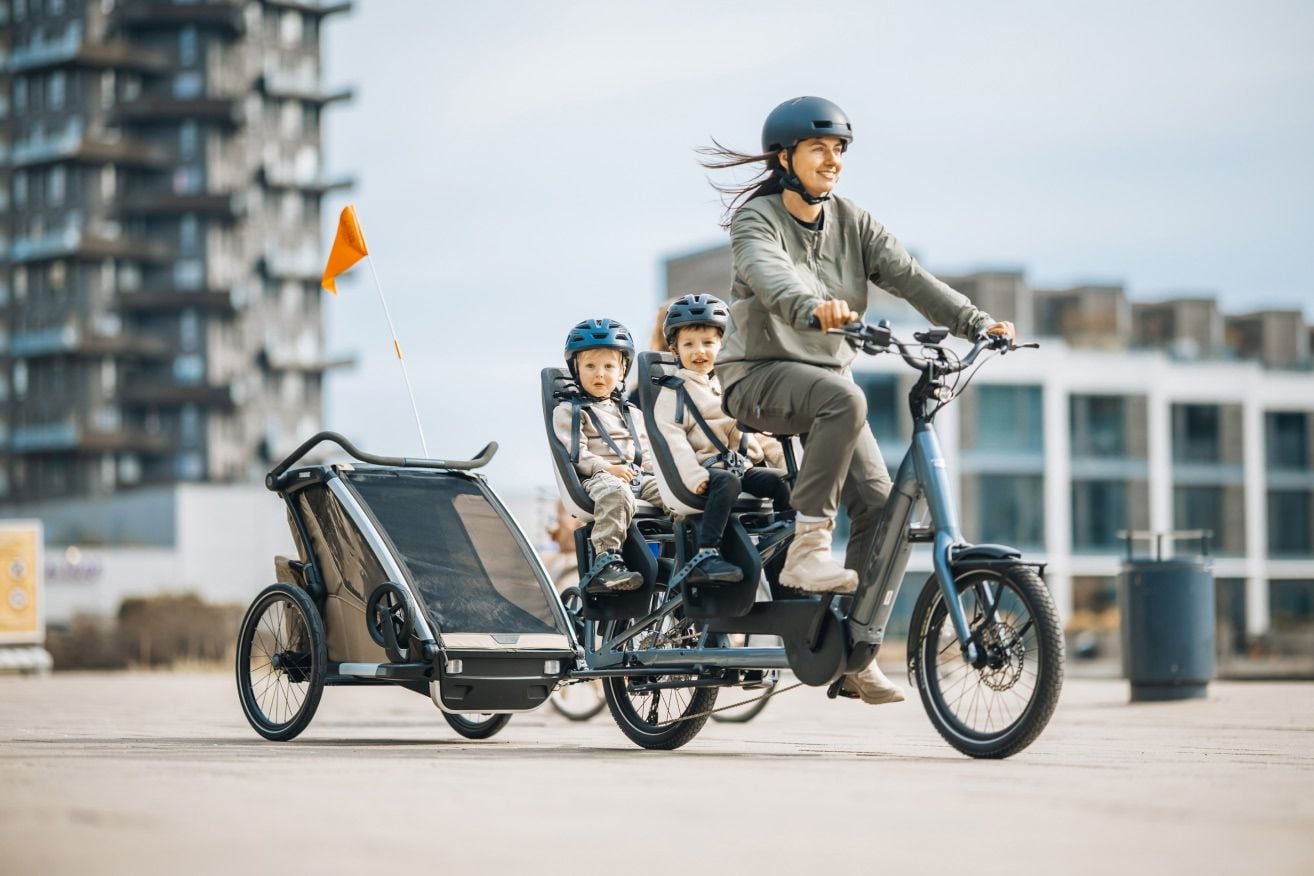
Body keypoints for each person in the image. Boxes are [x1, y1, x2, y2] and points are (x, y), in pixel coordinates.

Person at [702, 96, 1016, 705]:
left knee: (880, 504)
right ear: (785, 157)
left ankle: (853, 650)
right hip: (757, 376)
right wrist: (809, 308)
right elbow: (772, 276)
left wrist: (977, 323)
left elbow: (912, 277)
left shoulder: (854, 222)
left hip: (825, 390)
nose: (833, 160)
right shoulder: (756, 221)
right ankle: (808, 549)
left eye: (840, 149)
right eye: (820, 148)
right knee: (844, 399)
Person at [651, 294, 792, 586]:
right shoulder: (673, 393)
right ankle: (707, 553)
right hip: (708, 472)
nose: (699, 351)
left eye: (708, 343)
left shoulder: (729, 385)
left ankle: (789, 546)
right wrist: (694, 477)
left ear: (722, 346)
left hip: (742, 467)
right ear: (674, 349)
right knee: (727, 482)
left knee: (784, 482)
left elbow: (755, 433)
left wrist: (785, 464)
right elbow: (673, 442)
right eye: (689, 344)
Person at [551, 318, 667, 593]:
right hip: (598, 479)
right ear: (576, 369)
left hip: (637, 476)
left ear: (623, 370)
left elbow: (646, 455)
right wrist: (608, 468)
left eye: (608, 366)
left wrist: (667, 477)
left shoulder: (632, 414)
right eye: (590, 366)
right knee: (618, 494)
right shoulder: (570, 411)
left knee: (673, 495)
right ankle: (606, 560)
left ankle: (690, 552)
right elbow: (575, 454)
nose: (599, 374)